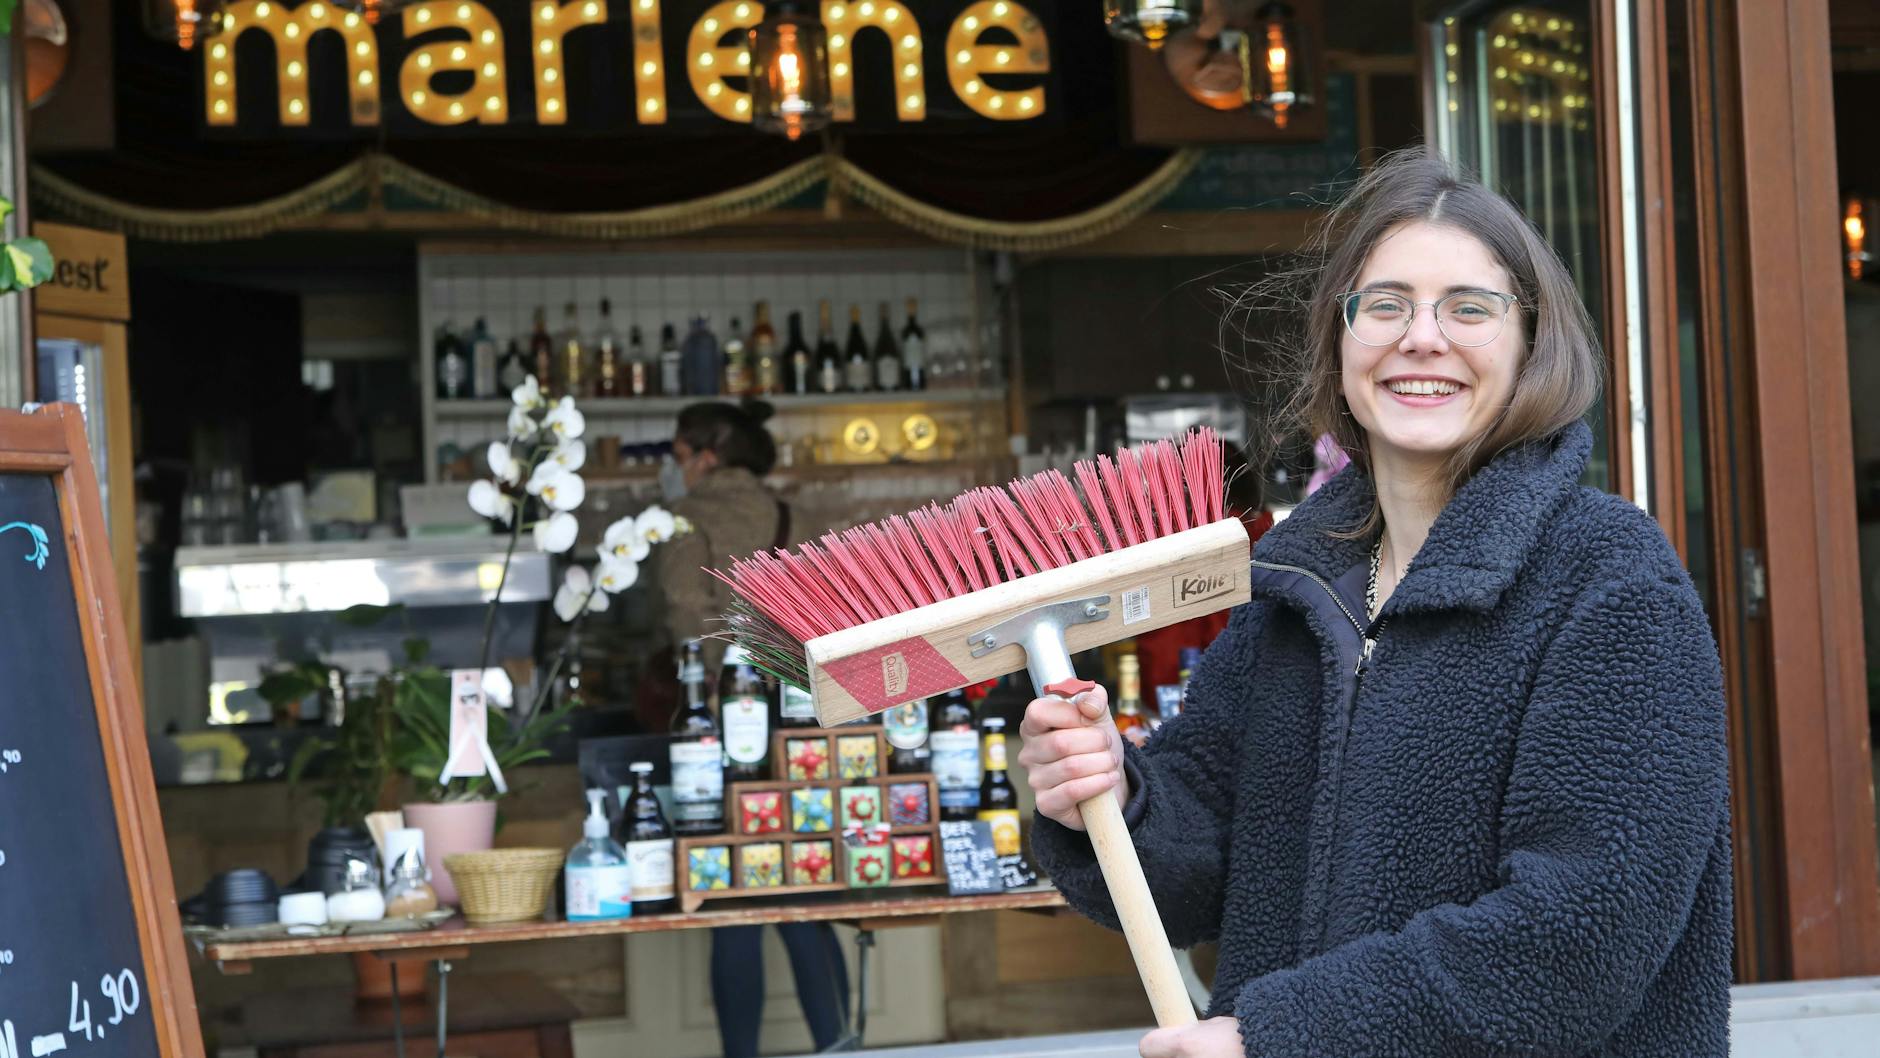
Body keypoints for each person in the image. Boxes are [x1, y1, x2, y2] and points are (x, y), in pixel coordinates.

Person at [1019, 150, 1732, 1058]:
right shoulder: (1294, 583)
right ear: (1340, 339)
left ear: (1530, 341)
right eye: (1384, 304)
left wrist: (1281, 1035)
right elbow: (1196, 872)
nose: (1421, 337)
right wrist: (1112, 796)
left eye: (1469, 308)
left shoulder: (1608, 578)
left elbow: (1582, 934)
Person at [649, 400, 852, 1057]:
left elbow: (688, 619)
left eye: (678, 455)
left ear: (707, 457)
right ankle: (838, 1046)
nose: (671, 470)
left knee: (734, 906)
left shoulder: (684, 519)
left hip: (724, 732)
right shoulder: (797, 517)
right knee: (804, 897)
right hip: (803, 725)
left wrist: (718, 684)